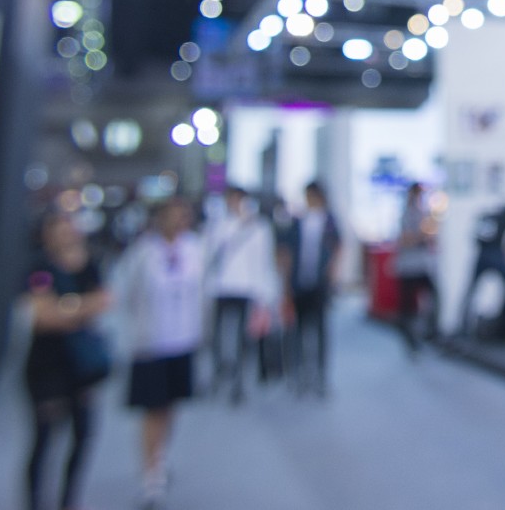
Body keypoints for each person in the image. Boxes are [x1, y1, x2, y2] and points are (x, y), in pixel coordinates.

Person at [117, 198, 204, 508]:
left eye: (185, 216)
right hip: (151, 343)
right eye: (175, 216)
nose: (180, 222)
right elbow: (125, 293)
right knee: (153, 409)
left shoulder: (194, 248)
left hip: (182, 340)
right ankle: (151, 473)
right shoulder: (143, 252)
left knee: (170, 406)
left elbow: (200, 292)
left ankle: (161, 457)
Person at [22, 212, 111, 510]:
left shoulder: (90, 265)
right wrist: (80, 308)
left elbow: (104, 302)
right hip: (47, 366)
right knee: (44, 440)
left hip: (82, 366)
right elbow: (44, 317)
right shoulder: (40, 267)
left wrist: (66, 308)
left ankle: (68, 501)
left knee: (82, 436)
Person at [203, 186, 280, 405]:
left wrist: (265, 293)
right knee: (217, 336)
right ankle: (219, 373)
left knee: (242, 338)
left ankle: (238, 381)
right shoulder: (217, 225)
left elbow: (263, 261)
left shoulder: (258, 227)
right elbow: (207, 255)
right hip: (220, 287)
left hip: (246, 288)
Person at [281, 181, 341, 396]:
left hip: (319, 284)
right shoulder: (298, 221)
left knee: (320, 330)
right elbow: (287, 253)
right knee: (297, 331)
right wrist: (286, 284)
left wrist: (332, 275)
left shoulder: (329, 221)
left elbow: (337, 248)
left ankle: (320, 376)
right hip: (299, 282)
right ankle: (298, 376)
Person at [460, 200, 505, 340]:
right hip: (496, 254)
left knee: (471, 292)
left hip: (483, 255)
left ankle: (463, 329)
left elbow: (475, 237)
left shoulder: (487, 216)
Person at [394, 182, 440, 357]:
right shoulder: (406, 214)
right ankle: (409, 339)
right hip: (408, 267)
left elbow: (431, 239)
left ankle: (429, 333)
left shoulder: (425, 214)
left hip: (422, 266)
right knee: (407, 306)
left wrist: (429, 236)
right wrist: (421, 236)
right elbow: (405, 240)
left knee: (434, 296)